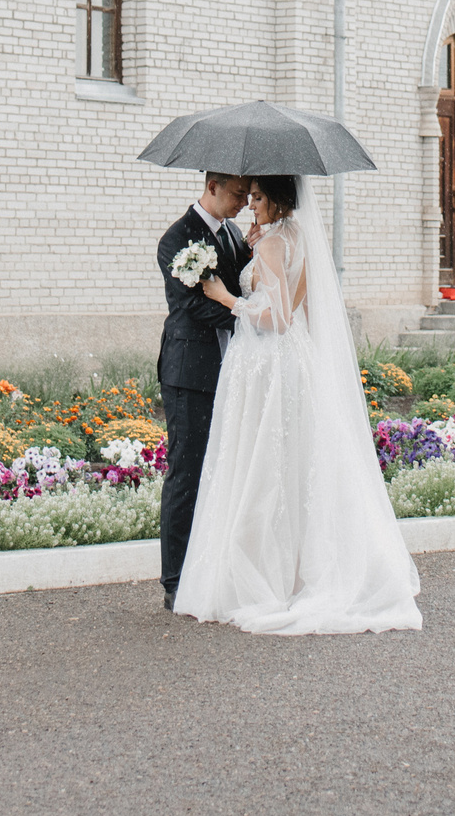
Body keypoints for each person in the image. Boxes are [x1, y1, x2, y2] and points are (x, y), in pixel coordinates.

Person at [173, 173, 423, 635]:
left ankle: (265, 575)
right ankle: (296, 572)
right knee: (291, 461)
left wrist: (229, 297)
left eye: (259, 198)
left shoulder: (270, 244)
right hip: (295, 365)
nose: (251, 205)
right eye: (249, 198)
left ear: (279, 200)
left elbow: (281, 318)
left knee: (261, 464)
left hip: (267, 360)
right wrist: (258, 256)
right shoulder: (296, 236)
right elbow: (300, 298)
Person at [155, 170, 253, 611]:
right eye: (237, 194)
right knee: (187, 473)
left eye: (249, 195)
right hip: (188, 372)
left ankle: (209, 572)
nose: (244, 203)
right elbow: (191, 304)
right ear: (212, 186)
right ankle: (175, 580)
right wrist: (251, 321)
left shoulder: (234, 233)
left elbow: (238, 285)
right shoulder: (175, 238)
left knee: (221, 471)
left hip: (231, 368)